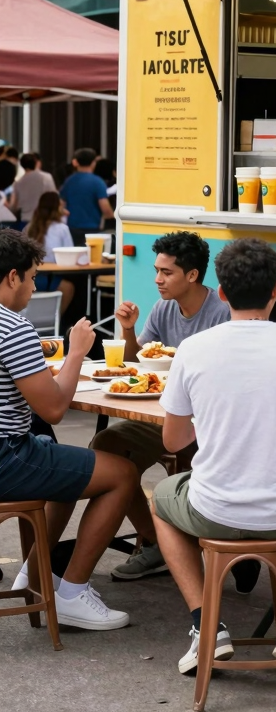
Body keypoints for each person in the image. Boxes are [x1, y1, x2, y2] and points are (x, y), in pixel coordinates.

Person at [152, 238, 276, 677]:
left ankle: (206, 625)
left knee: (161, 498)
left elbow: (173, 439)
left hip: (212, 509)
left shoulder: (193, 349)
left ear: (221, 292)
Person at [0, 229, 135, 630]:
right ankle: (73, 591)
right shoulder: (13, 327)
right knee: (123, 475)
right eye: (32, 277)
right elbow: (55, 408)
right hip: (7, 456)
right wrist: (77, 351)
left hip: (15, 451)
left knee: (61, 459)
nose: (34, 285)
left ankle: (34, 572)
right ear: (12, 277)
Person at [91, 231, 230, 583]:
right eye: (156, 270)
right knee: (105, 447)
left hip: (208, 422)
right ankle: (156, 544)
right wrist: (128, 329)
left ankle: (190, 543)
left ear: (193, 275)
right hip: (162, 413)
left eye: (166, 273)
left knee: (184, 456)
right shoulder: (164, 308)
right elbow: (139, 364)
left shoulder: (221, 314)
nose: (157, 279)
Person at [24, 192, 75, 314]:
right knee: (69, 287)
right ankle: (56, 321)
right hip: (53, 279)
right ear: (58, 208)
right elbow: (70, 254)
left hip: (32, 278)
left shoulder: (28, 228)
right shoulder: (62, 229)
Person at [58, 147, 114, 246]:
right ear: (93, 163)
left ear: (76, 162)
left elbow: (60, 205)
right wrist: (113, 217)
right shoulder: (97, 182)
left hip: (72, 228)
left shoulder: (69, 181)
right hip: (92, 229)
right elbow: (105, 208)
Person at [10, 153, 57, 226]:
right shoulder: (46, 177)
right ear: (36, 163)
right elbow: (54, 198)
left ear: (22, 165)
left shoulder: (18, 183)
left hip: (24, 221)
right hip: (43, 220)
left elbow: (14, 206)